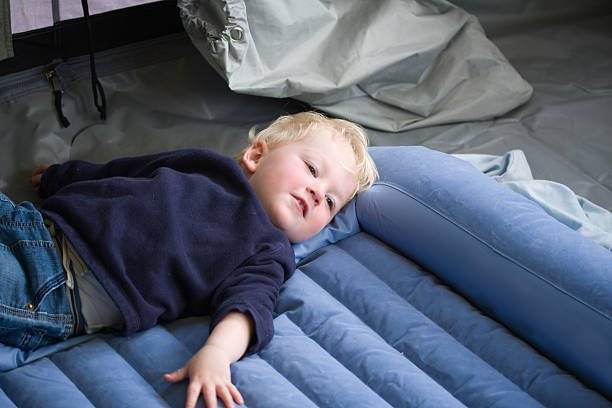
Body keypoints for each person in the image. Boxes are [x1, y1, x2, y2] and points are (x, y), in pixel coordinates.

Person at [2, 111, 378, 408]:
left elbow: (248, 309)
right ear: (257, 154)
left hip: (56, 287)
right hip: (37, 225)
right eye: (313, 170)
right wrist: (61, 176)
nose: (317, 192)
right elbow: (125, 171)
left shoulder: (268, 252)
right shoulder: (207, 165)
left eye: (330, 202)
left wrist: (216, 354)